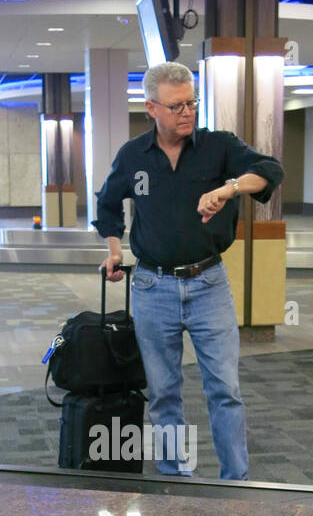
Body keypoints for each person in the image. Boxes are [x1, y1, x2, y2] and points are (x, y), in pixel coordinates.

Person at [94, 61, 283, 480]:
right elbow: (107, 206)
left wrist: (228, 187)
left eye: (192, 103)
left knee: (225, 390)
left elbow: (270, 171)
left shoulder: (219, 147)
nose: (187, 112)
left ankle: (236, 481)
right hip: (150, 285)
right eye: (176, 106)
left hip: (208, 284)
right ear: (152, 109)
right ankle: (176, 477)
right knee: (163, 393)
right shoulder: (132, 156)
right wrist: (113, 249)